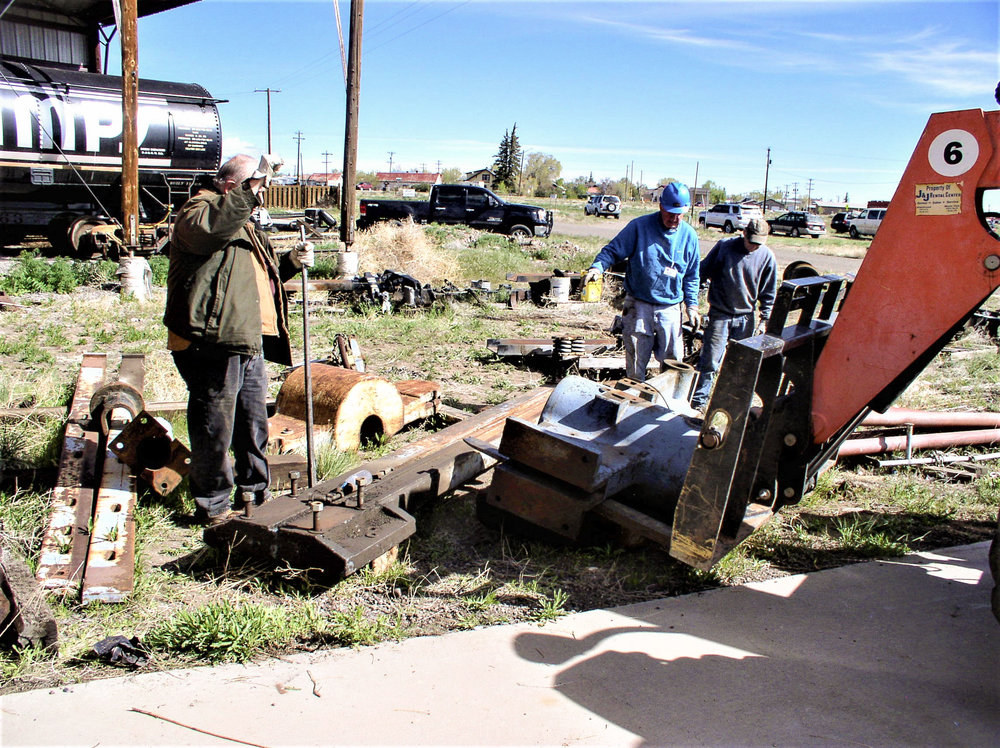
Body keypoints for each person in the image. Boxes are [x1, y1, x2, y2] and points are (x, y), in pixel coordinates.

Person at [163, 154, 314, 524]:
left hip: (247, 339)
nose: (259, 195)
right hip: (212, 338)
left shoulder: (242, 222)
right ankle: (213, 505)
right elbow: (212, 231)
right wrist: (252, 186)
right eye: (254, 186)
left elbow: (257, 276)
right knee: (215, 423)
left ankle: (254, 495)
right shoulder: (198, 211)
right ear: (231, 186)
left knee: (252, 422)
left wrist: (291, 262)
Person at [582, 182, 701, 381]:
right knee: (636, 362)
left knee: (673, 364)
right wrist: (597, 267)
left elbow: (692, 275)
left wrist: (693, 306)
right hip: (639, 305)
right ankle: (635, 401)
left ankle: (666, 406)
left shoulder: (689, 236)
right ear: (661, 206)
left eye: (679, 214)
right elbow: (613, 250)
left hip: (670, 308)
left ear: (686, 210)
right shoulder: (639, 227)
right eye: (670, 212)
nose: (674, 218)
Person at [689, 217, 777, 411]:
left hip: (746, 318)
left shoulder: (767, 256)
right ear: (744, 233)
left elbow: (768, 292)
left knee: (740, 365)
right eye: (751, 241)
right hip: (720, 315)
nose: (753, 247)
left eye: (758, 244)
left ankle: (731, 406)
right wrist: (693, 301)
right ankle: (698, 404)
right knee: (710, 362)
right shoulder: (724, 247)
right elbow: (701, 272)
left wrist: (765, 318)